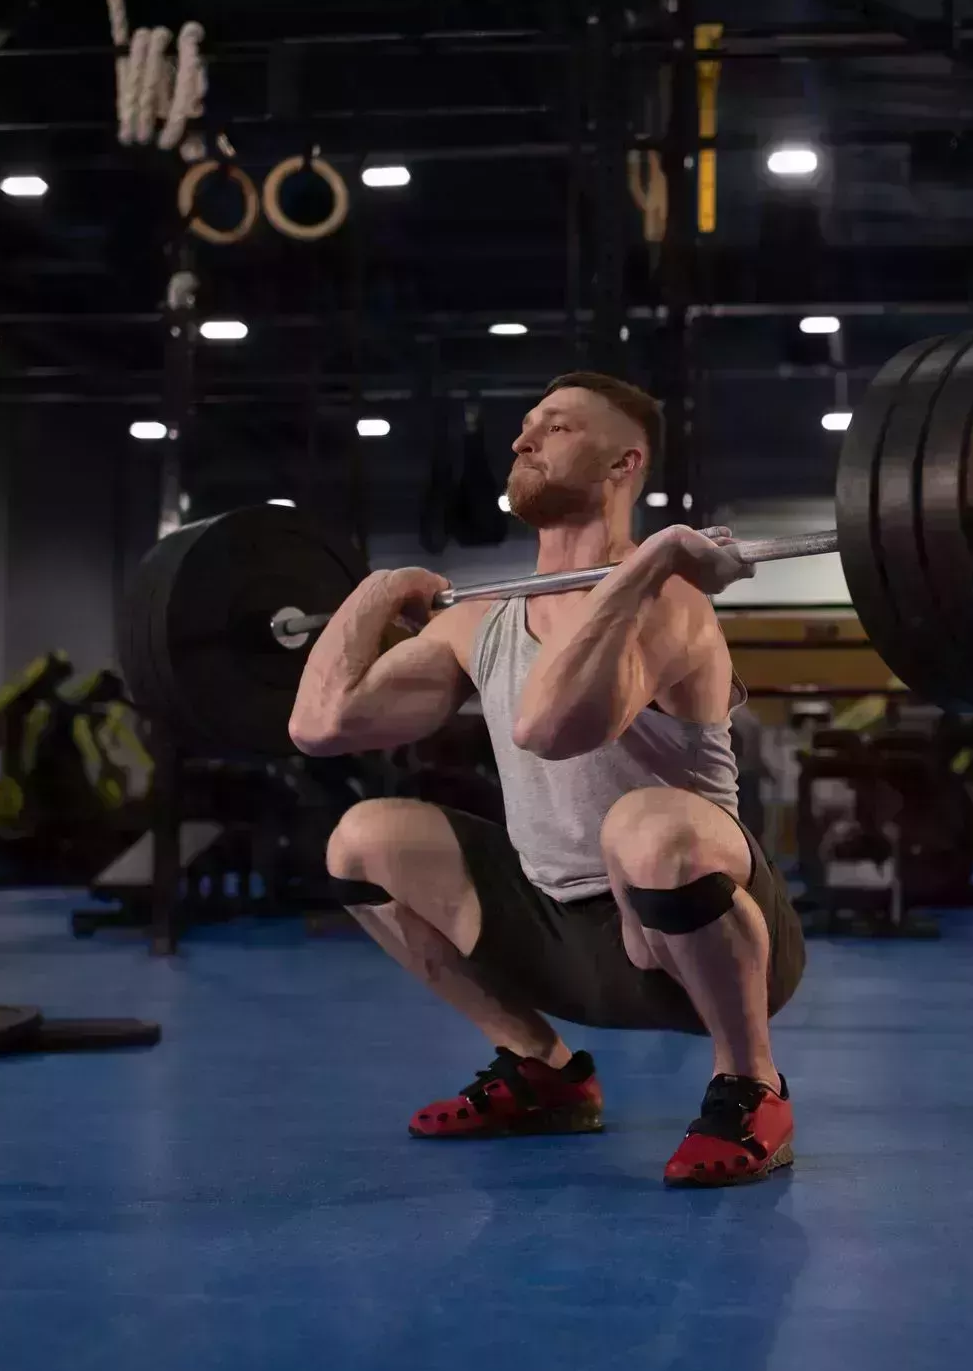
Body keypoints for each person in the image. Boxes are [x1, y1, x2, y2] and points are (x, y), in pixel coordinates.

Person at [290, 371, 805, 1188]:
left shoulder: (670, 601)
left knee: (648, 827)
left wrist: (645, 565)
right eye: (526, 426)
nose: (524, 440)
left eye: (557, 427)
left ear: (621, 464)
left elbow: (552, 726)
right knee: (361, 839)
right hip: (557, 933)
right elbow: (320, 726)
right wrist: (374, 592)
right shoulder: (480, 620)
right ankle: (540, 1070)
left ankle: (750, 1083)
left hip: (687, 936)